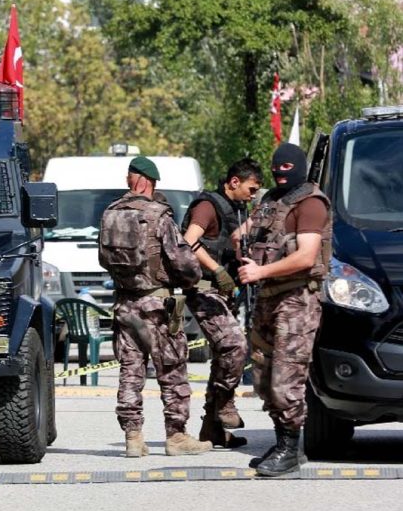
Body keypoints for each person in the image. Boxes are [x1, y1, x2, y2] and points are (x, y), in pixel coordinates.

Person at [98, 156, 211, 457]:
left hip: (124, 304)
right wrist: (191, 279)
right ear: (149, 181)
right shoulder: (159, 215)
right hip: (156, 305)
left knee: (131, 371)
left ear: (129, 179)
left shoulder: (110, 213)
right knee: (172, 368)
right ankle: (176, 437)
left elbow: (103, 259)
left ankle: (133, 437)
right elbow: (184, 263)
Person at [237, 143, 331, 477]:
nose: (280, 175)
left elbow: (306, 256)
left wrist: (260, 271)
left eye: (286, 170)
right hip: (267, 298)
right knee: (263, 377)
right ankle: (283, 443)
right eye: (276, 171)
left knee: (286, 379)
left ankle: (290, 449)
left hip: (296, 301)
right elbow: (245, 233)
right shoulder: (270, 200)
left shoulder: (311, 204)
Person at [181, 158, 263, 449]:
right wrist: (217, 270)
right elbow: (188, 240)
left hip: (224, 293)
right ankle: (225, 403)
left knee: (223, 357)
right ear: (234, 182)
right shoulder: (208, 206)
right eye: (251, 189)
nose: (253, 196)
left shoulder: (238, 211)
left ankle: (212, 429)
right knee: (235, 345)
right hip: (204, 289)